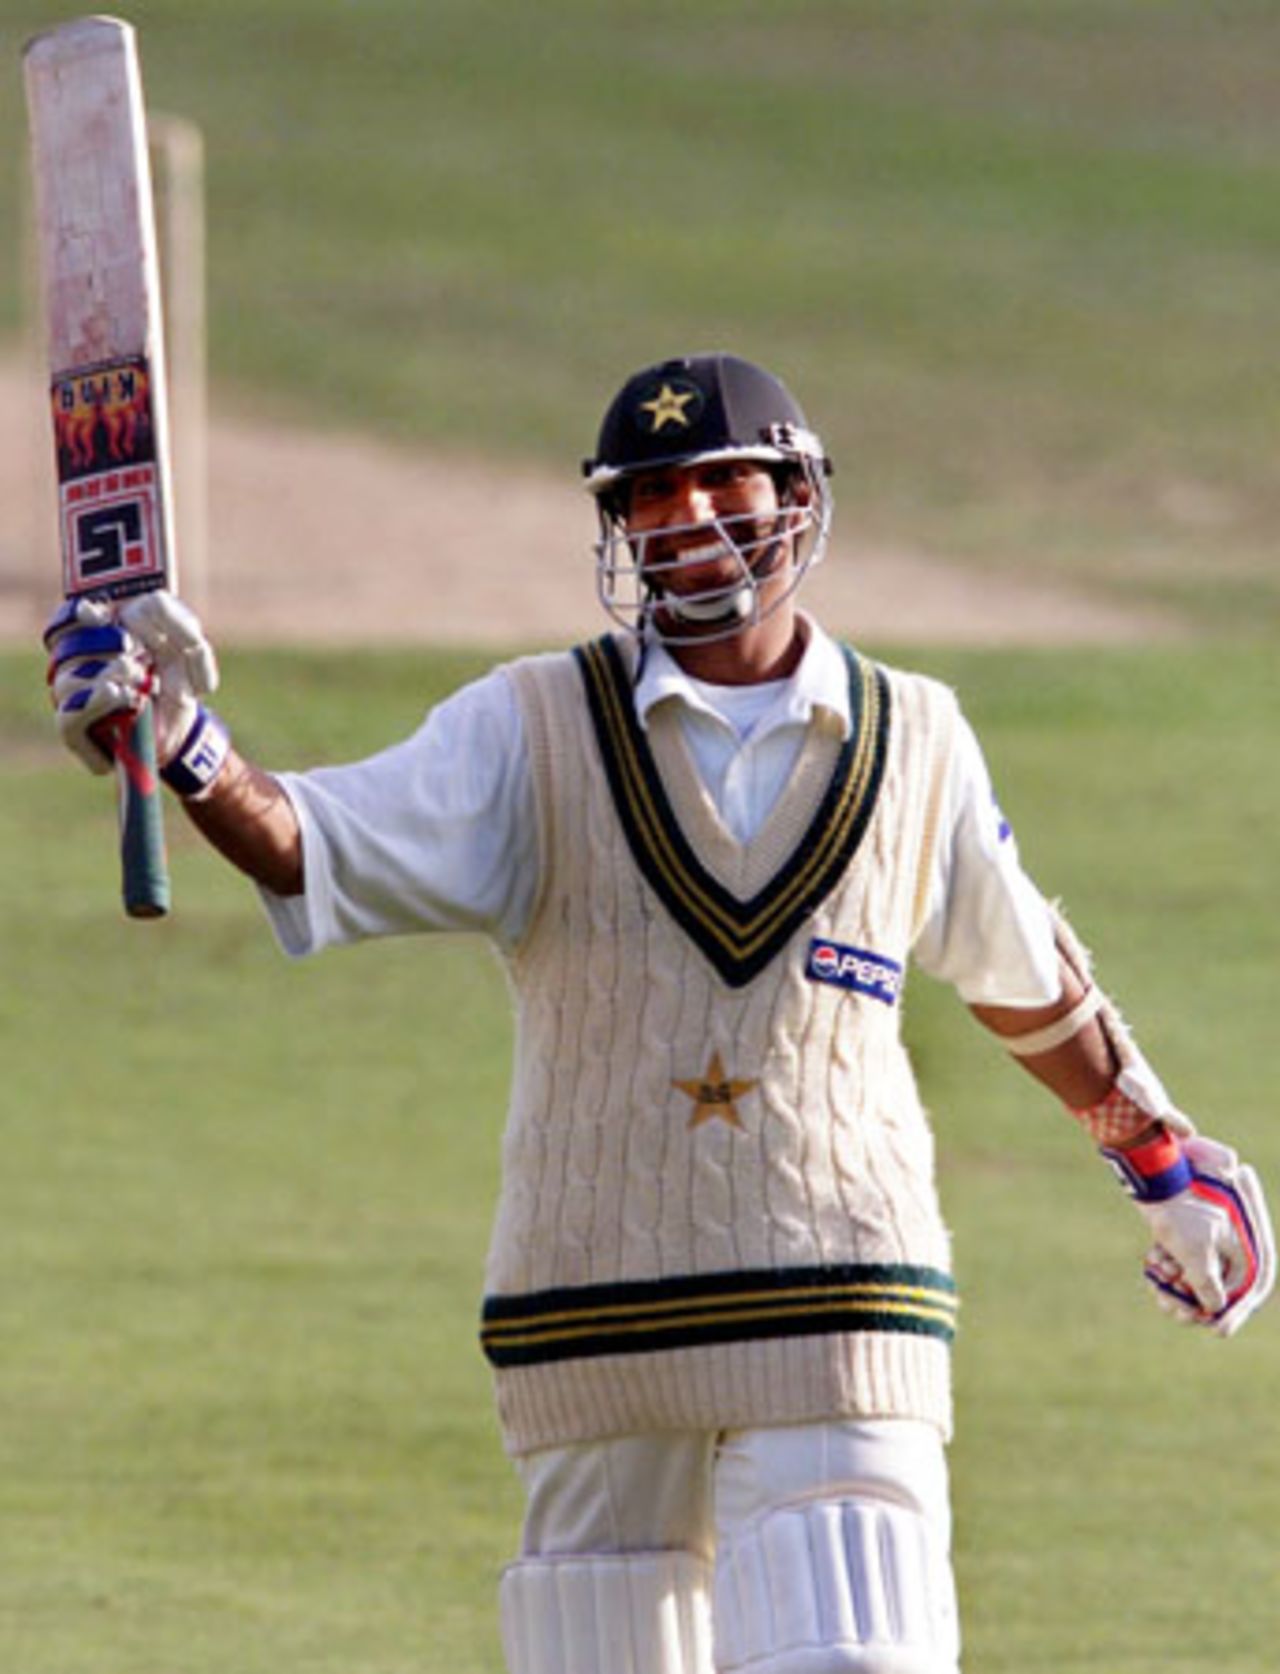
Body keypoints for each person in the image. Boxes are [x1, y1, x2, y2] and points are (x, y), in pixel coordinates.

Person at [44, 353, 1274, 1674]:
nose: (684, 517)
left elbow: (1025, 973)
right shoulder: (528, 729)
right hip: (593, 1321)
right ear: (616, 527)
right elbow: (312, 841)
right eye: (651, 495)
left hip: (841, 1305)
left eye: (720, 480)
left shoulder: (916, 736)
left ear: (796, 495)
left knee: (856, 1652)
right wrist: (184, 743)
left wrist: (1157, 1155)